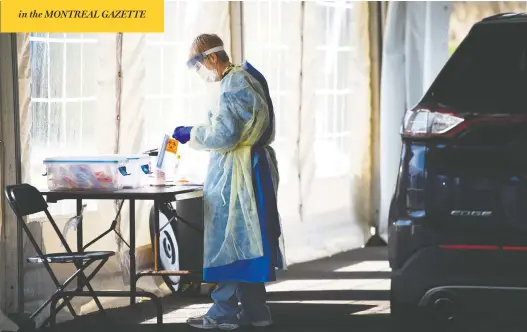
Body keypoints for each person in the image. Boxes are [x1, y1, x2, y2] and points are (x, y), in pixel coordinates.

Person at [172, 34, 285, 330]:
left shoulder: (232, 83)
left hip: (240, 173)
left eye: (198, 64)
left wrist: (191, 133)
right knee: (250, 240)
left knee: (232, 241)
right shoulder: (247, 77)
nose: (200, 72)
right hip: (252, 169)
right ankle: (256, 311)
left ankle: (222, 312)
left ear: (212, 58)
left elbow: (225, 135)